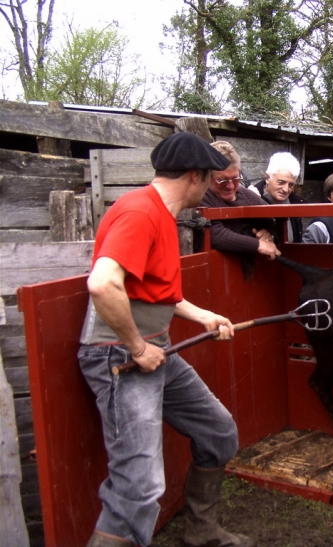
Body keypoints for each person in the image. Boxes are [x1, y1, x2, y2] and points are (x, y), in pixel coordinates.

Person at [77, 132, 253, 547]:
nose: (212, 186)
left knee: (218, 432)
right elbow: (103, 285)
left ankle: (202, 533)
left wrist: (201, 314)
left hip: (157, 350)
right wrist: (138, 347)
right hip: (120, 356)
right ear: (195, 176)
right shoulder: (140, 212)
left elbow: (153, 291)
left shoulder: (159, 213)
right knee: (138, 486)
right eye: (210, 177)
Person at [198, 141, 280, 266]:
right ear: (207, 176)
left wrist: (268, 234)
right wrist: (258, 245)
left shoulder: (248, 196)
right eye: (222, 180)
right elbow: (215, 235)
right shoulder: (200, 197)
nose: (230, 186)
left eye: (236, 178)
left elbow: (271, 221)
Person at [252, 152, 307, 242]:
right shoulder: (250, 200)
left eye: (291, 185)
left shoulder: (295, 203)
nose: (286, 189)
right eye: (281, 182)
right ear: (267, 178)